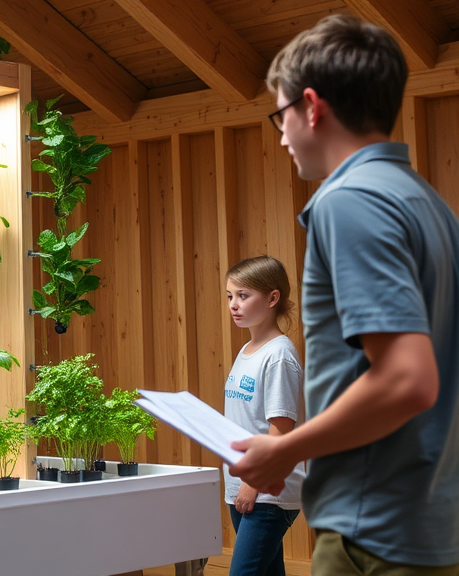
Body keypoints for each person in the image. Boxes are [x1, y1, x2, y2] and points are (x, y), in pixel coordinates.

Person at [229, 14, 459, 575]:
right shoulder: (431, 206)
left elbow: (407, 378)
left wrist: (284, 450)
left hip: (373, 526)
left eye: (281, 115)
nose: (281, 135)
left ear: (311, 107)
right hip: (431, 516)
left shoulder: (350, 199)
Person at [223, 256, 305, 576]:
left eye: (243, 295)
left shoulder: (279, 354)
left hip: (267, 491)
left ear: (272, 298)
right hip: (245, 486)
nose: (234, 304)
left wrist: (252, 483)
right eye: (230, 296)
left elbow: (281, 429)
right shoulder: (246, 351)